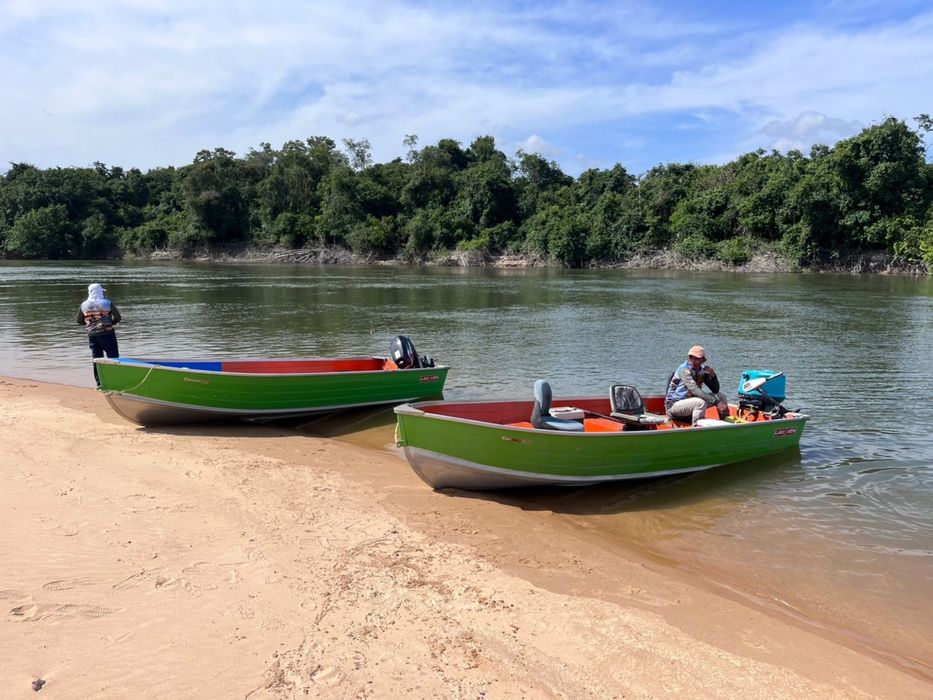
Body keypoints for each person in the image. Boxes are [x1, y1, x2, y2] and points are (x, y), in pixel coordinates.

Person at [665, 345, 729, 425]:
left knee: (721, 396)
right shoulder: (684, 370)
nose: (693, 360)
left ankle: (726, 424)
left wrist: (713, 376)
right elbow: (694, 389)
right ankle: (697, 427)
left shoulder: (702, 370)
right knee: (700, 402)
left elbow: (715, 390)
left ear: (703, 360)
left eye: (697, 358)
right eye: (691, 357)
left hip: (691, 403)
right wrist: (716, 402)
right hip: (675, 405)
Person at [76, 282, 121, 386]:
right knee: (113, 357)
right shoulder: (107, 303)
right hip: (107, 334)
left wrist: (90, 325)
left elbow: (79, 321)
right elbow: (118, 318)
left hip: (92, 335)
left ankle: (100, 383)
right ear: (100, 292)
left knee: (96, 359)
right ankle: (114, 381)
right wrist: (110, 323)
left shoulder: (84, 305)